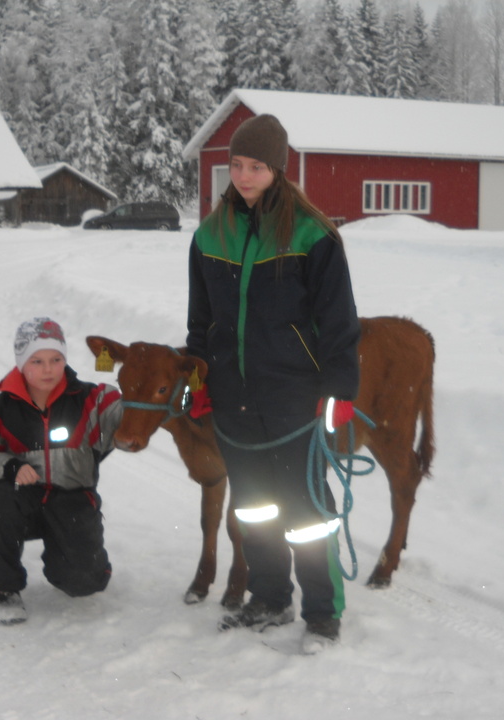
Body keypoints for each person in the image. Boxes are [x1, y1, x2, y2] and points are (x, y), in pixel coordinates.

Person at [186, 114, 361, 654]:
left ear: (278, 169)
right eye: (237, 165)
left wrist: (340, 390)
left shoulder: (312, 235)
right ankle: (268, 597)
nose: (243, 176)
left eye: (256, 167)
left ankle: (323, 614)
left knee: (307, 514)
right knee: (254, 507)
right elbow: (200, 321)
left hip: (294, 399)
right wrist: (199, 375)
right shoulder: (209, 234)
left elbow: (338, 322)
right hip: (234, 399)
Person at [0, 317, 122, 624]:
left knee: (84, 583)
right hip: (20, 502)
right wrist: (7, 466)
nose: (48, 369)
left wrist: (182, 390)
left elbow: (140, 414)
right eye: (37, 361)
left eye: (56, 359)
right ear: (21, 363)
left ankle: (75, 562)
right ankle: (4, 588)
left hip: (72, 502)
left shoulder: (94, 400)